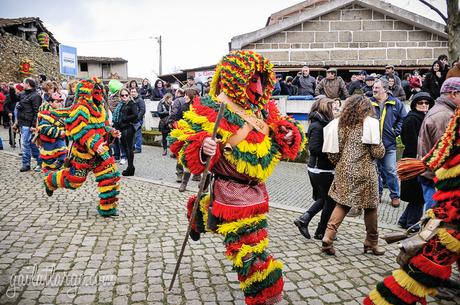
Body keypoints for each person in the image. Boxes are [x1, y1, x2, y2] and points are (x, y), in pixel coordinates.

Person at [169, 50, 306, 305]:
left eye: (261, 81)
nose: (257, 87)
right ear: (235, 78)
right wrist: (203, 147)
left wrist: (287, 133)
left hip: (258, 191)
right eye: (251, 80)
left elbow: (284, 126)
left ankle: (198, 214)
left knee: (248, 238)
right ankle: (265, 294)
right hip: (231, 193)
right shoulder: (213, 106)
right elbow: (179, 141)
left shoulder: (263, 110)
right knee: (249, 249)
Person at [364, 88, 460, 305]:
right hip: (451, 200)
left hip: (438, 182)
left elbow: (442, 148)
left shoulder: (444, 114)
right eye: (421, 103)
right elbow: (441, 146)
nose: (424, 106)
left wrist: (426, 163)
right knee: (423, 266)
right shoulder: (441, 114)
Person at [44, 78, 121, 217]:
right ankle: (50, 180)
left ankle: (107, 208)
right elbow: (81, 129)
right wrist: (94, 143)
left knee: (110, 175)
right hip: (83, 153)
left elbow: (103, 125)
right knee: (75, 181)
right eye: (95, 92)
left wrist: (111, 131)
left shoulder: (100, 108)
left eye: (100, 92)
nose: (99, 96)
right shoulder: (81, 108)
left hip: (100, 151)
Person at [321, 95, 385, 256]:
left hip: (343, 169)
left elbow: (332, 153)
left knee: (342, 204)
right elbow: (378, 152)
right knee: (371, 207)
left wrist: (341, 163)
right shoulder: (370, 124)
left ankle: (328, 236)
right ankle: (372, 241)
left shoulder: (338, 124)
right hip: (365, 171)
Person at [294, 98, 336, 240]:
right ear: (325, 108)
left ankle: (306, 220)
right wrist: (334, 152)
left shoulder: (323, 123)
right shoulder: (318, 125)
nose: (334, 110)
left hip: (321, 168)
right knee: (329, 201)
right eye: (332, 107)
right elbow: (314, 148)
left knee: (324, 199)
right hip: (321, 169)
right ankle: (320, 230)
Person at [417, 77, 460, 211]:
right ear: (453, 94)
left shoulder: (444, 110)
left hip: (431, 175)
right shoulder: (444, 115)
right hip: (435, 178)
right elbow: (447, 153)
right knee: (435, 216)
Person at [397, 92, 434, 231]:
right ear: (415, 104)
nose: (424, 105)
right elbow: (411, 142)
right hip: (414, 161)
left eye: (426, 103)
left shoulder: (421, 117)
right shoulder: (412, 119)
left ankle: (404, 219)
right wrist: (420, 161)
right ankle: (411, 224)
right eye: (420, 103)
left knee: (416, 195)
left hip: (416, 160)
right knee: (418, 195)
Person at [371, 79, 407, 207]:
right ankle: (377, 194)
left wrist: (396, 131)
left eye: (377, 88)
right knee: (374, 171)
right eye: (374, 87)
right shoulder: (369, 102)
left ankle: (395, 195)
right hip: (372, 145)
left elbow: (403, 119)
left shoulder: (396, 103)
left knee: (391, 170)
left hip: (389, 144)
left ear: (385, 89)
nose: (374, 90)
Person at [36, 92, 68, 172]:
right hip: (48, 140)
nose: (60, 104)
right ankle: (47, 169)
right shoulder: (46, 114)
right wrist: (59, 132)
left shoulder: (60, 113)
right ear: (50, 103)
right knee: (48, 158)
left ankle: (59, 166)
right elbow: (44, 128)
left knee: (63, 153)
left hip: (59, 139)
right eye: (57, 102)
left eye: (60, 102)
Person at [17, 78, 42, 172]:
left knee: (28, 144)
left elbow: (37, 111)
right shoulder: (23, 94)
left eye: (23, 83)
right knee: (29, 144)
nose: (22, 84)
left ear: (27, 84)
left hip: (29, 123)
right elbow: (13, 98)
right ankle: (31, 163)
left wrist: (33, 125)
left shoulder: (36, 96)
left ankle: (28, 163)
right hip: (22, 122)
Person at [112, 88, 138, 176]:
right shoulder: (121, 105)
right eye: (122, 95)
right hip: (122, 129)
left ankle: (131, 168)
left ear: (129, 95)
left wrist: (125, 119)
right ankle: (130, 167)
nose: (124, 97)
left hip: (128, 129)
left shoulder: (132, 104)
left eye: (126, 95)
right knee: (125, 148)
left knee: (128, 148)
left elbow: (135, 115)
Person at [130, 87, 145, 154]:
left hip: (138, 120)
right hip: (132, 120)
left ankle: (138, 148)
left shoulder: (140, 100)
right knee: (132, 134)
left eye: (134, 91)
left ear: (137, 92)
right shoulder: (131, 100)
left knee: (138, 134)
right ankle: (133, 147)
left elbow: (142, 110)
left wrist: (137, 119)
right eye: (132, 91)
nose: (133, 93)